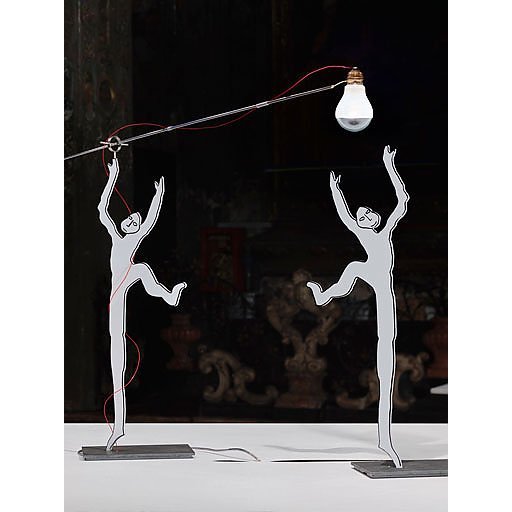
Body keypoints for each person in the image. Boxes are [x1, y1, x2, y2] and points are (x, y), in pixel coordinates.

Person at [306, 145, 409, 468]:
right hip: (369, 273)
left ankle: (385, 438)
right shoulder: (362, 235)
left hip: (383, 285)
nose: (363, 218)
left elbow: (402, 200)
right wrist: (336, 190)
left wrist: (389, 165)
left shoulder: (385, 232)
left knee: (386, 352)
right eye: (361, 217)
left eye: (368, 215)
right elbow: (344, 216)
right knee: (353, 267)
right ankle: (326, 295)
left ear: (376, 218)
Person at [98, 156, 187, 450]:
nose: (132, 221)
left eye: (135, 222)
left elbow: (149, 222)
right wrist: (113, 176)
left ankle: (168, 295)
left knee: (142, 269)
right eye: (130, 219)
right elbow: (102, 209)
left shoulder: (135, 239)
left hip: (128, 279)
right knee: (117, 356)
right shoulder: (116, 236)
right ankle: (118, 427)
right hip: (117, 293)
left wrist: (158, 195)